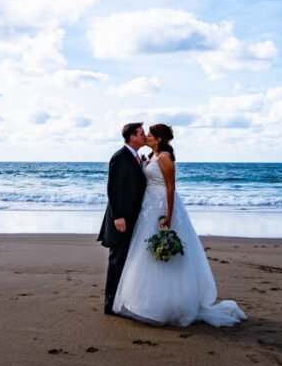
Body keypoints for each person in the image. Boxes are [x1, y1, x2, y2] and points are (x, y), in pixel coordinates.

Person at [112, 124, 246, 327]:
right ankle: (147, 301)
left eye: (149, 134)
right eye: (144, 133)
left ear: (158, 139)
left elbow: (171, 187)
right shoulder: (151, 157)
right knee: (145, 252)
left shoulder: (165, 157)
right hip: (148, 208)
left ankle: (171, 304)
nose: (146, 137)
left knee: (165, 252)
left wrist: (168, 214)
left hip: (162, 207)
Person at [97, 122, 148, 315]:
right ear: (132, 137)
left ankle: (122, 300)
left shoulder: (135, 157)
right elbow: (113, 188)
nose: (145, 136)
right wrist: (118, 216)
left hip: (133, 217)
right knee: (117, 260)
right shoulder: (119, 157)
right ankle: (110, 305)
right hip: (122, 219)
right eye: (142, 133)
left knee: (127, 259)